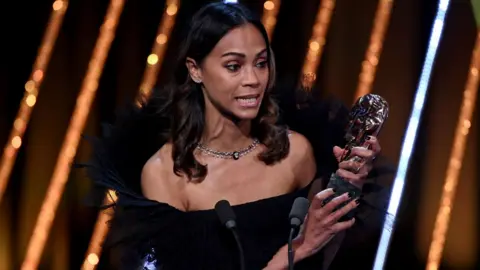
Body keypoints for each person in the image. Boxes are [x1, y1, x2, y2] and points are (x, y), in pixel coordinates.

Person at [81, 2, 393, 269]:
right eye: (234, 66)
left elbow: (322, 255)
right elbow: (303, 248)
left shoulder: (295, 152)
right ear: (195, 70)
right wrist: (291, 254)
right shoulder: (166, 174)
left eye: (260, 64)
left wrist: (349, 186)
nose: (253, 80)